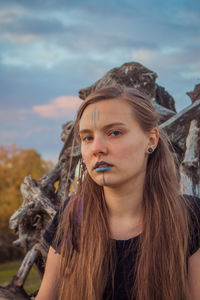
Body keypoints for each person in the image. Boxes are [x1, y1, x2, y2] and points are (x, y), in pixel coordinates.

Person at [36, 85, 200, 300]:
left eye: (114, 133)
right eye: (87, 138)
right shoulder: (73, 215)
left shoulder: (189, 216)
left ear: (150, 140)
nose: (97, 148)